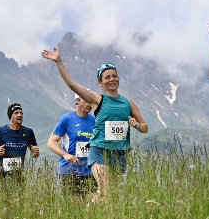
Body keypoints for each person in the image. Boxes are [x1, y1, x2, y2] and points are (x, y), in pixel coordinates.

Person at [41, 47, 148, 201]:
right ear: (101, 82)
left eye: (115, 76)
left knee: (112, 197)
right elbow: (72, 84)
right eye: (107, 77)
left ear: (119, 78)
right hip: (99, 151)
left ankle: (90, 215)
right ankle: (89, 216)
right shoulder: (97, 99)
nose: (112, 79)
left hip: (120, 153)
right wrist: (59, 62)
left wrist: (137, 125)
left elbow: (145, 128)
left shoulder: (128, 103)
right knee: (105, 193)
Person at [47, 93, 96, 199]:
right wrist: (65, 155)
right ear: (77, 100)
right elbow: (51, 142)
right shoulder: (66, 119)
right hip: (69, 171)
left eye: (91, 101)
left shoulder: (94, 120)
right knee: (75, 210)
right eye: (87, 100)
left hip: (89, 171)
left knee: (93, 209)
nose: (90, 104)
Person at [0, 103, 40, 179]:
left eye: (21, 113)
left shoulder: (28, 132)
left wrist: (36, 153)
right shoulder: (0, 131)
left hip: (19, 176)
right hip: (1, 175)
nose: (20, 115)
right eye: (16, 113)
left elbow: (34, 155)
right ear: (10, 116)